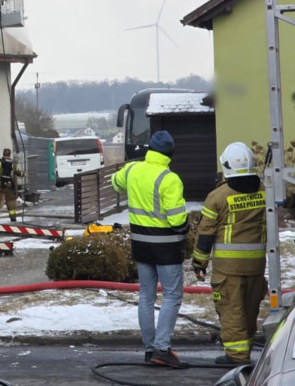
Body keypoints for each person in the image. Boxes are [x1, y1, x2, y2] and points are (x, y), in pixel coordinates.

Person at [111, 130, 188, 369]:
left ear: (149, 150)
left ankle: (149, 348)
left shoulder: (134, 170)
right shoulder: (170, 178)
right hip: (166, 247)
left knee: (146, 296)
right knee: (172, 296)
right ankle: (162, 349)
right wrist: (187, 229)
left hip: (141, 244)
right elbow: (177, 220)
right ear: (170, 153)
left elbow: (115, 182)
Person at [192, 142, 267, 366]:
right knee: (249, 308)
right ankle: (245, 347)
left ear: (225, 166)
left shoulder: (217, 197)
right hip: (256, 266)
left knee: (232, 310)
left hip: (228, 269)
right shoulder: (265, 190)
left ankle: (236, 356)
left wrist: (199, 262)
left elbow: (205, 233)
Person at [0, 148, 24, 222]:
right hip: (8, 186)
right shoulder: (12, 163)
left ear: (3, 154)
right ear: (9, 154)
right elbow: (17, 172)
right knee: (10, 202)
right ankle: (13, 218)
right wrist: (23, 174)